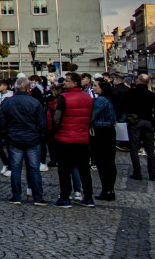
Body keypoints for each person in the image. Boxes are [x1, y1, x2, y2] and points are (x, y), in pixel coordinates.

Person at [0, 77, 47, 206]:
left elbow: (2, 121)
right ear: (27, 88)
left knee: (16, 168)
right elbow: (42, 123)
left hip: (14, 138)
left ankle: (16, 196)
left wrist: (5, 135)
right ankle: (38, 197)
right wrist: (40, 135)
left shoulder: (8, 102)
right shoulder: (35, 102)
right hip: (32, 138)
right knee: (34, 168)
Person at [51, 72, 95, 207]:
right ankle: (88, 196)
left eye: (68, 81)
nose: (65, 82)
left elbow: (56, 118)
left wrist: (55, 129)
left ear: (75, 83)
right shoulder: (88, 97)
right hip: (82, 138)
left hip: (65, 138)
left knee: (64, 169)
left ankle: (65, 197)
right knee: (84, 169)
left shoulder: (64, 98)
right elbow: (90, 116)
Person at [122, 73, 155, 181]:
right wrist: (154, 122)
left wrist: (129, 115)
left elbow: (124, 106)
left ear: (138, 80)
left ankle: (137, 173)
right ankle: (152, 174)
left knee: (134, 147)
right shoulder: (151, 95)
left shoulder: (130, 93)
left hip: (135, 121)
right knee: (150, 148)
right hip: (148, 121)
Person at [90, 78, 117, 199]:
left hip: (102, 131)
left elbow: (92, 115)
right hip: (109, 130)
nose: (93, 88)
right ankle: (109, 189)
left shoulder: (100, 100)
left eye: (95, 86)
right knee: (109, 162)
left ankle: (106, 190)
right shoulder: (108, 98)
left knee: (103, 162)